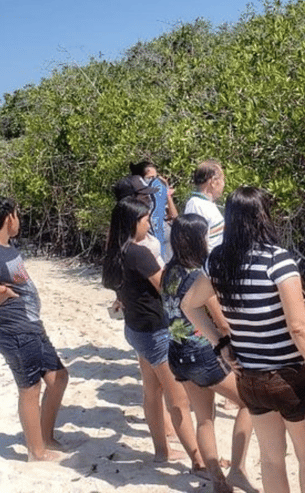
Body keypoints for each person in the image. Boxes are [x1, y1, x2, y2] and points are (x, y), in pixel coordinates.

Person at [182, 186, 305, 493]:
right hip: (289, 376)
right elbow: (299, 326)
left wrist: (220, 344)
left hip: (249, 377)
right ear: (263, 216)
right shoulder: (278, 260)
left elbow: (189, 305)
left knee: (271, 459)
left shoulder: (218, 260)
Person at [102, 197, 205, 474]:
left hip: (136, 330)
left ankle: (162, 451)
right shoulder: (139, 253)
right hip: (156, 331)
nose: (149, 222)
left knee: (152, 391)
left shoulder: (116, 251)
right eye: (146, 218)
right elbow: (166, 288)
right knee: (178, 399)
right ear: (133, 223)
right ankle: (198, 460)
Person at [162, 213, 259, 493]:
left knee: (204, 418)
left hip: (177, 354)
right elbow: (220, 320)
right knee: (250, 402)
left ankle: (218, 480)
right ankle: (238, 469)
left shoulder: (169, 271)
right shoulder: (198, 274)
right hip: (203, 355)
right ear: (197, 240)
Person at [0, 196, 69, 461]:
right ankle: (36, 451)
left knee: (58, 378)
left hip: (32, 327)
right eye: (17, 214)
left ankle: (45, 436)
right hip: (15, 331)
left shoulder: (8, 247)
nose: (19, 220)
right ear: (8, 218)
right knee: (30, 389)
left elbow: (21, 280)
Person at [130, 160, 178, 263]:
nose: (154, 181)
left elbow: (175, 217)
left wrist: (167, 194)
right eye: (150, 178)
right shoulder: (135, 205)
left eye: (155, 177)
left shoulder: (159, 199)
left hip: (168, 258)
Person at [184, 160, 225, 251]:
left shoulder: (205, 204)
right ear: (213, 182)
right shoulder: (196, 205)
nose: (223, 184)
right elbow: (196, 243)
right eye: (223, 179)